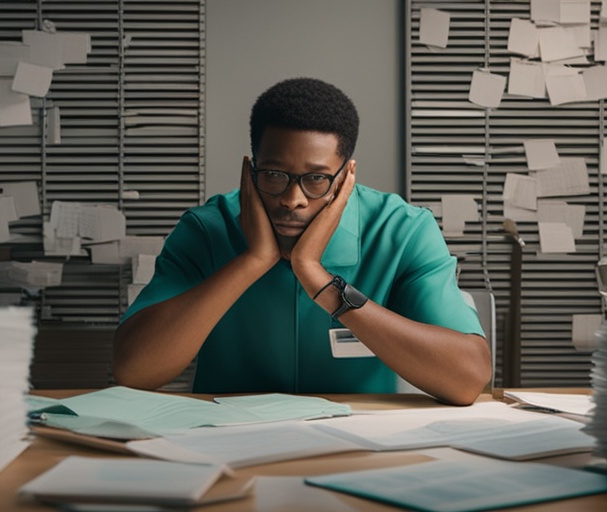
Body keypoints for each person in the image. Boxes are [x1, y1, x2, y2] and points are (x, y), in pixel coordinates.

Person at [112, 78, 490, 405]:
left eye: (316, 179)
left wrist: (317, 277)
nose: (292, 199)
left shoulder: (403, 230)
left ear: (346, 176)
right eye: (274, 174)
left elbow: (467, 379)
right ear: (251, 169)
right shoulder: (205, 229)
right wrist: (253, 259)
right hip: (228, 440)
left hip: (358, 439)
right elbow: (134, 370)